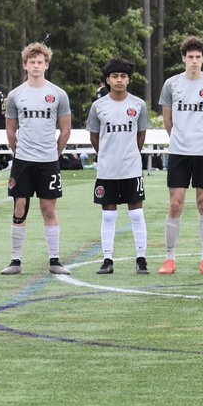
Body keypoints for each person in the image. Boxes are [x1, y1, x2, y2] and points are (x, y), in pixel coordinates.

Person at [0, 43, 73, 275]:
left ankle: (54, 260)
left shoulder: (58, 94)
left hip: (48, 161)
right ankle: (15, 261)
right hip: (23, 161)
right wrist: (17, 151)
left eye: (40, 62)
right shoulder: (15, 95)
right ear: (25, 65)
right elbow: (11, 130)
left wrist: (55, 153)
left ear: (47, 65)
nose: (36, 65)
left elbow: (66, 130)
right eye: (32, 62)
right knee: (20, 207)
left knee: (48, 209)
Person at [157, 37, 203, 276]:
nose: (194, 61)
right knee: (175, 204)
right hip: (179, 152)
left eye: (198, 57)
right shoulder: (171, 84)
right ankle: (169, 259)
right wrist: (179, 138)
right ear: (184, 58)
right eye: (190, 57)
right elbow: (168, 120)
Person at [87, 58, 150, 275]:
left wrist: (131, 153)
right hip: (107, 169)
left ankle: (141, 259)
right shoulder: (98, 106)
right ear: (107, 80)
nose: (119, 80)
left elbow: (141, 135)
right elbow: (94, 137)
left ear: (129, 80)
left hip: (131, 168)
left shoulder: (138, 105)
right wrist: (106, 154)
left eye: (123, 76)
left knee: (136, 214)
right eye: (115, 76)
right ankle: (107, 259)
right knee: (109, 215)